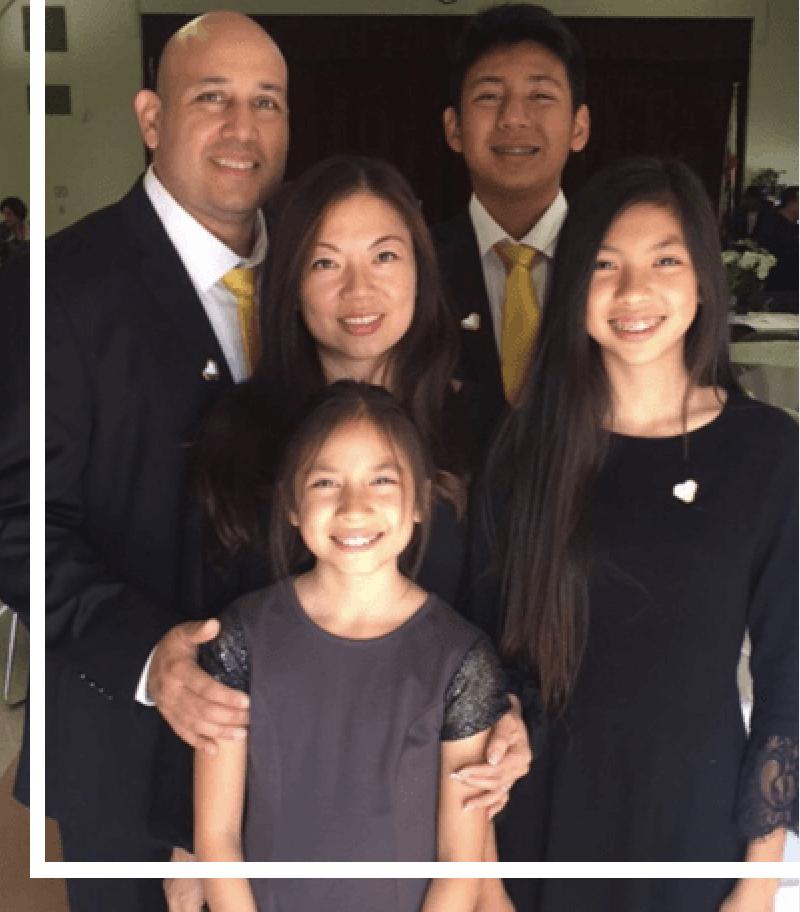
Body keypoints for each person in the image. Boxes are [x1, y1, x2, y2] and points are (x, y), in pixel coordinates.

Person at [162, 156, 532, 909]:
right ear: (290, 279)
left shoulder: (484, 431)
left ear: (423, 272)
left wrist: (510, 713)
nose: (358, 291)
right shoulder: (235, 433)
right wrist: (195, 832)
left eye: (385, 256)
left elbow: (509, 618)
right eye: (325, 262)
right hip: (269, 821)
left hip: (438, 814)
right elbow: (208, 648)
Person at [468, 157, 797, 910]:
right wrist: (483, 878)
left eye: (665, 261)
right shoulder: (526, 448)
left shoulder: (766, 450)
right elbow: (478, 670)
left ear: (705, 280)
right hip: (541, 827)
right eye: (605, 265)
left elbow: (789, 686)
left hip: (693, 828)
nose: (633, 292)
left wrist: (758, 885)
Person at [28, 11, 288, 907]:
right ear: (150, 117)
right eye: (211, 98)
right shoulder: (56, 287)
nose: (241, 128)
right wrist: (147, 658)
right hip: (126, 743)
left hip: (300, 743)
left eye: (266, 103)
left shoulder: (318, 273)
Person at [195, 380, 514, 910]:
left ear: (418, 502)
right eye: (325, 482)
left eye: (382, 480)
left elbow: (462, 864)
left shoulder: (462, 657)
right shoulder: (240, 637)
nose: (354, 507)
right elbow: (217, 838)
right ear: (292, 505)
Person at [434, 3, 590, 417]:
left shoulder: (611, 260)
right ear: (454, 128)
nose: (514, 118)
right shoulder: (417, 264)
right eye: (489, 96)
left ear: (579, 127)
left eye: (540, 96)